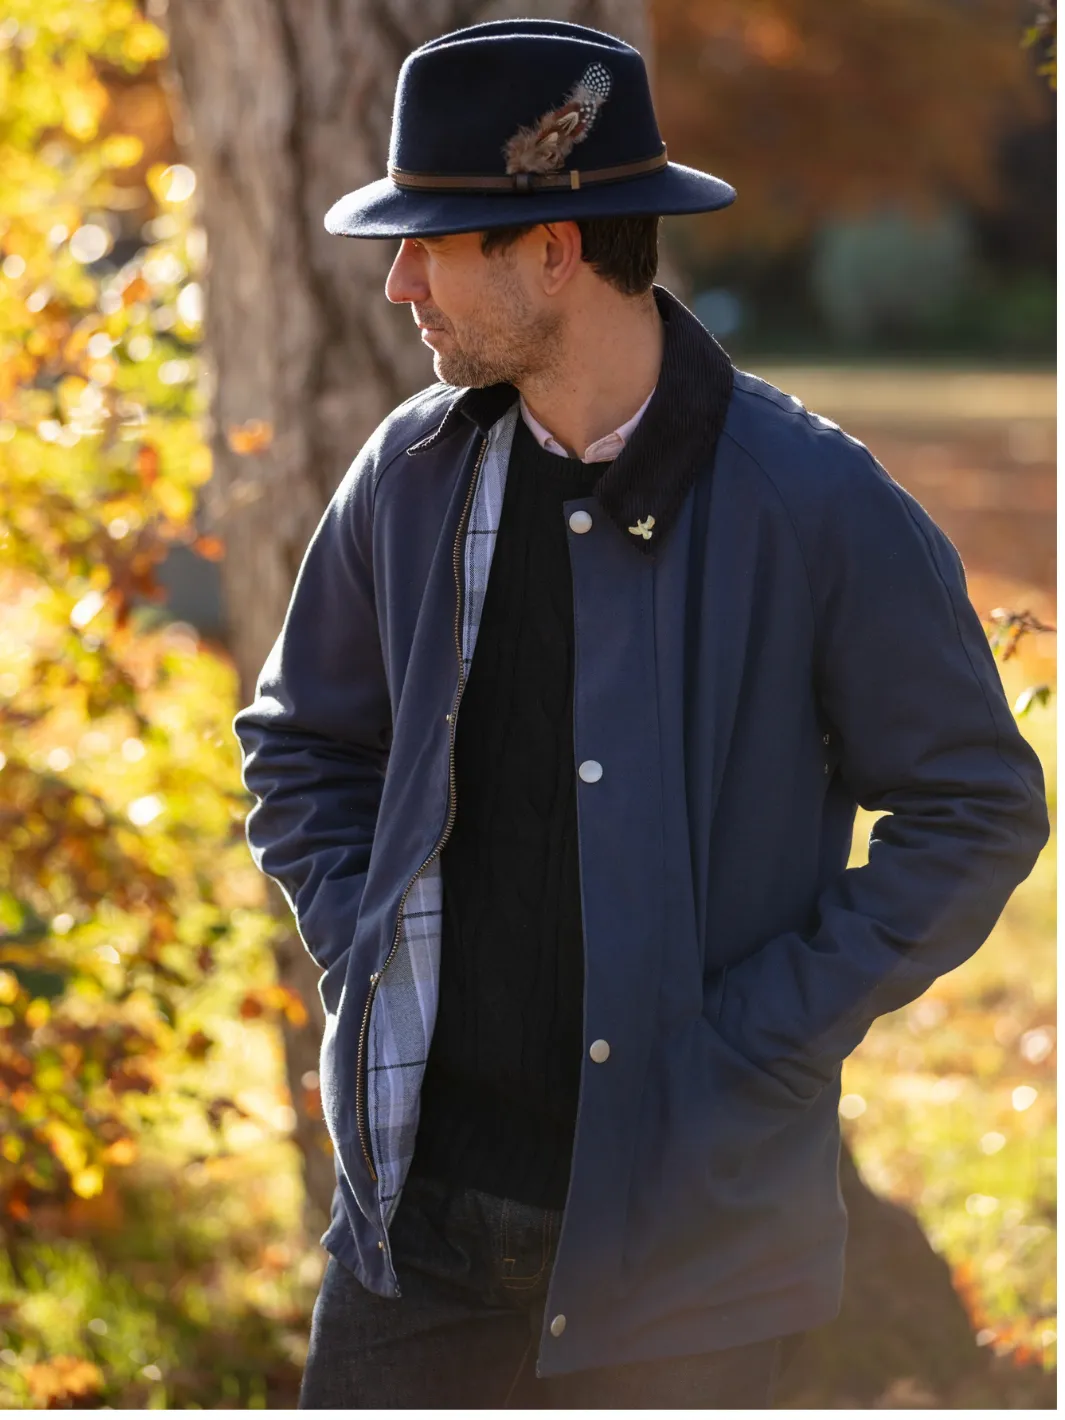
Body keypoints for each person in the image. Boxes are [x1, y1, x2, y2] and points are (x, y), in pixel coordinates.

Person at [232, 18, 1049, 1410]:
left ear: (555, 249)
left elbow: (974, 808)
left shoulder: (818, 504)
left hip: (692, 1257)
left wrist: (759, 1040)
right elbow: (303, 743)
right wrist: (369, 942)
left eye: (434, 242)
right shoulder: (408, 473)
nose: (397, 283)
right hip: (412, 1246)